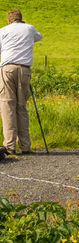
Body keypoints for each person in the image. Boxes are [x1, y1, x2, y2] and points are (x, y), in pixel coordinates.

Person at [0, 9, 42, 155]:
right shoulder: (29, 28)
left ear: (9, 20)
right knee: (21, 107)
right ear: (21, 19)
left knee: (7, 106)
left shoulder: (3, 30)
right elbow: (39, 37)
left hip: (7, 68)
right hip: (24, 70)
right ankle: (25, 146)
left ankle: (10, 146)